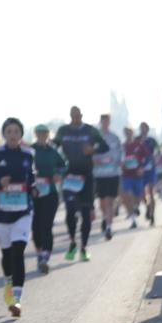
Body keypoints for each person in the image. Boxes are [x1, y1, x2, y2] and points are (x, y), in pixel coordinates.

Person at [0, 118, 36, 317]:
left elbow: (32, 177)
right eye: (9, 131)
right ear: (4, 134)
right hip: (0, 214)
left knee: (18, 252)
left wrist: (33, 188)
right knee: (7, 254)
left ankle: (17, 299)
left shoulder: (28, 154)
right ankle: (9, 282)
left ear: (21, 134)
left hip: (22, 211)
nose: (13, 134)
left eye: (17, 131)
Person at [54, 106, 109, 261]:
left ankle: (83, 247)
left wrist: (93, 149)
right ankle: (72, 242)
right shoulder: (63, 130)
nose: (76, 118)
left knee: (86, 213)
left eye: (78, 115)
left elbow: (104, 146)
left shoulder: (90, 130)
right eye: (73, 115)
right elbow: (53, 147)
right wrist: (56, 166)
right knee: (70, 210)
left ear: (81, 115)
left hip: (87, 176)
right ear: (70, 116)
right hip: (70, 175)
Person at [30, 125, 65, 273]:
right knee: (35, 225)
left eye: (45, 133)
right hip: (34, 192)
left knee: (46, 224)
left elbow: (63, 166)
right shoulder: (30, 150)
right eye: (39, 133)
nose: (42, 135)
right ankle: (39, 252)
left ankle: (45, 255)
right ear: (36, 134)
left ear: (48, 134)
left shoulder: (53, 151)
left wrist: (58, 173)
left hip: (50, 191)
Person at [93, 113, 122, 241]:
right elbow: (90, 154)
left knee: (110, 201)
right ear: (101, 122)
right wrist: (95, 160)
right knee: (102, 202)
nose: (105, 123)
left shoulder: (115, 138)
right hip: (99, 174)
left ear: (109, 122)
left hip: (112, 173)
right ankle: (105, 217)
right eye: (103, 121)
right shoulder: (94, 138)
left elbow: (120, 154)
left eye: (107, 121)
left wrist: (115, 160)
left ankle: (109, 227)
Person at [120, 126, 149, 229]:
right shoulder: (122, 146)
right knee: (127, 195)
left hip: (137, 175)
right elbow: (119, 158)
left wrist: (142, 168)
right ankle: (133, 219)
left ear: (132, 133)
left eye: (129, 133)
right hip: (126, 175)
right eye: (126, 133)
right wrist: (121, 165)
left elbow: (146, 158)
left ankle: (136, 207)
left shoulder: (139, 145)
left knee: (138, 195)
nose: (128, 134)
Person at [138, 121, 159, 226]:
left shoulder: (152, 141)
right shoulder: (136, 140)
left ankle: (152, 216)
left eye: (144, 128)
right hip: (140, 170)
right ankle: (147, 207)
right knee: (141, 194)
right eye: (141, 128)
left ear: (147, 129)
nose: (143, 130)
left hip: (150, 169)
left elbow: (158, 153)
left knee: (151, 192)